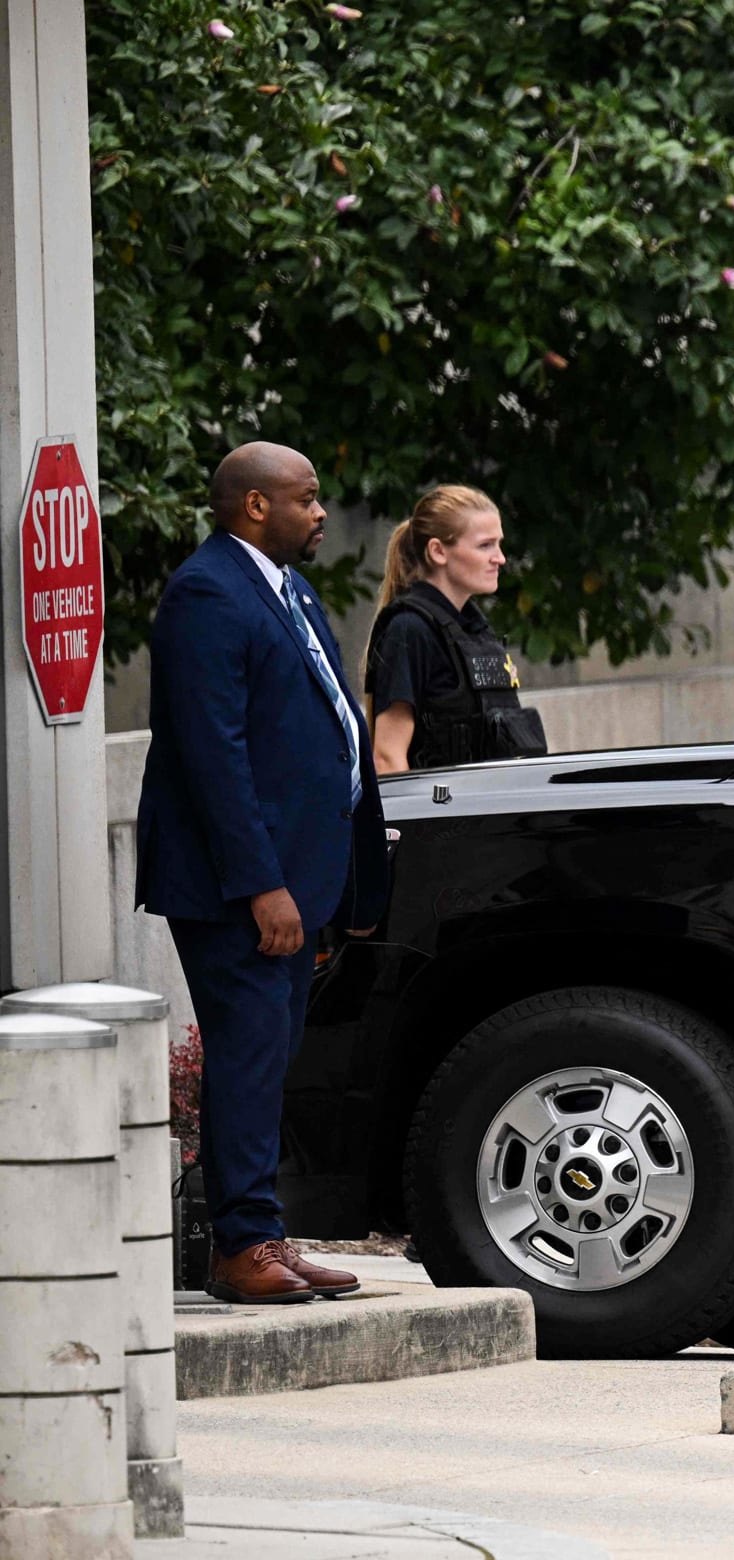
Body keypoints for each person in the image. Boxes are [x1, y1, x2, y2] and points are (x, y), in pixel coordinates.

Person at [135, 442, 390, 1303]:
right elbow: (215, 755)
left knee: (266, 1058)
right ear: (253, 506)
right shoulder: (208, 592)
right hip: (235, 887)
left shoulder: (287, 587)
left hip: (293, 878)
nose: (321, 512)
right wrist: (262, 884)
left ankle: (265, 1233)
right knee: (246, 1057)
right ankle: (241, 1246)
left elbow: (321, 726)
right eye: (307, 499)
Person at [362, 484, 545, 772]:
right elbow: (387, 758)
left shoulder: (475, 629)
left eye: (498, 544)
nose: (500, 558)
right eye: (485, 545)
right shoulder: (409, 628)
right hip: (444, 814)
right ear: (437, 551)